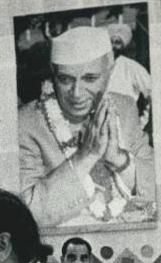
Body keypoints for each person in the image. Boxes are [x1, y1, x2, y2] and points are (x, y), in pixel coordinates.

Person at [18, 26, 155, 228]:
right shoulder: (27, 123)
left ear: (109, 73)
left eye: (90, 78)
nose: (76, 93)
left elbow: (154, 186)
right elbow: (28, 216)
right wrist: (85, 157)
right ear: (53, 76)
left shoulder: (124, 107)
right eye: (65, 79)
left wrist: (119, 159)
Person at [105, 23, 151, 119]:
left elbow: (153, 93)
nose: (112, 46)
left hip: (125, 122)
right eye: (110, 42)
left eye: (117, 42)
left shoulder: (132, 67)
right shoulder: (98, 67)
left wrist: (143, 121)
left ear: (123, 46)